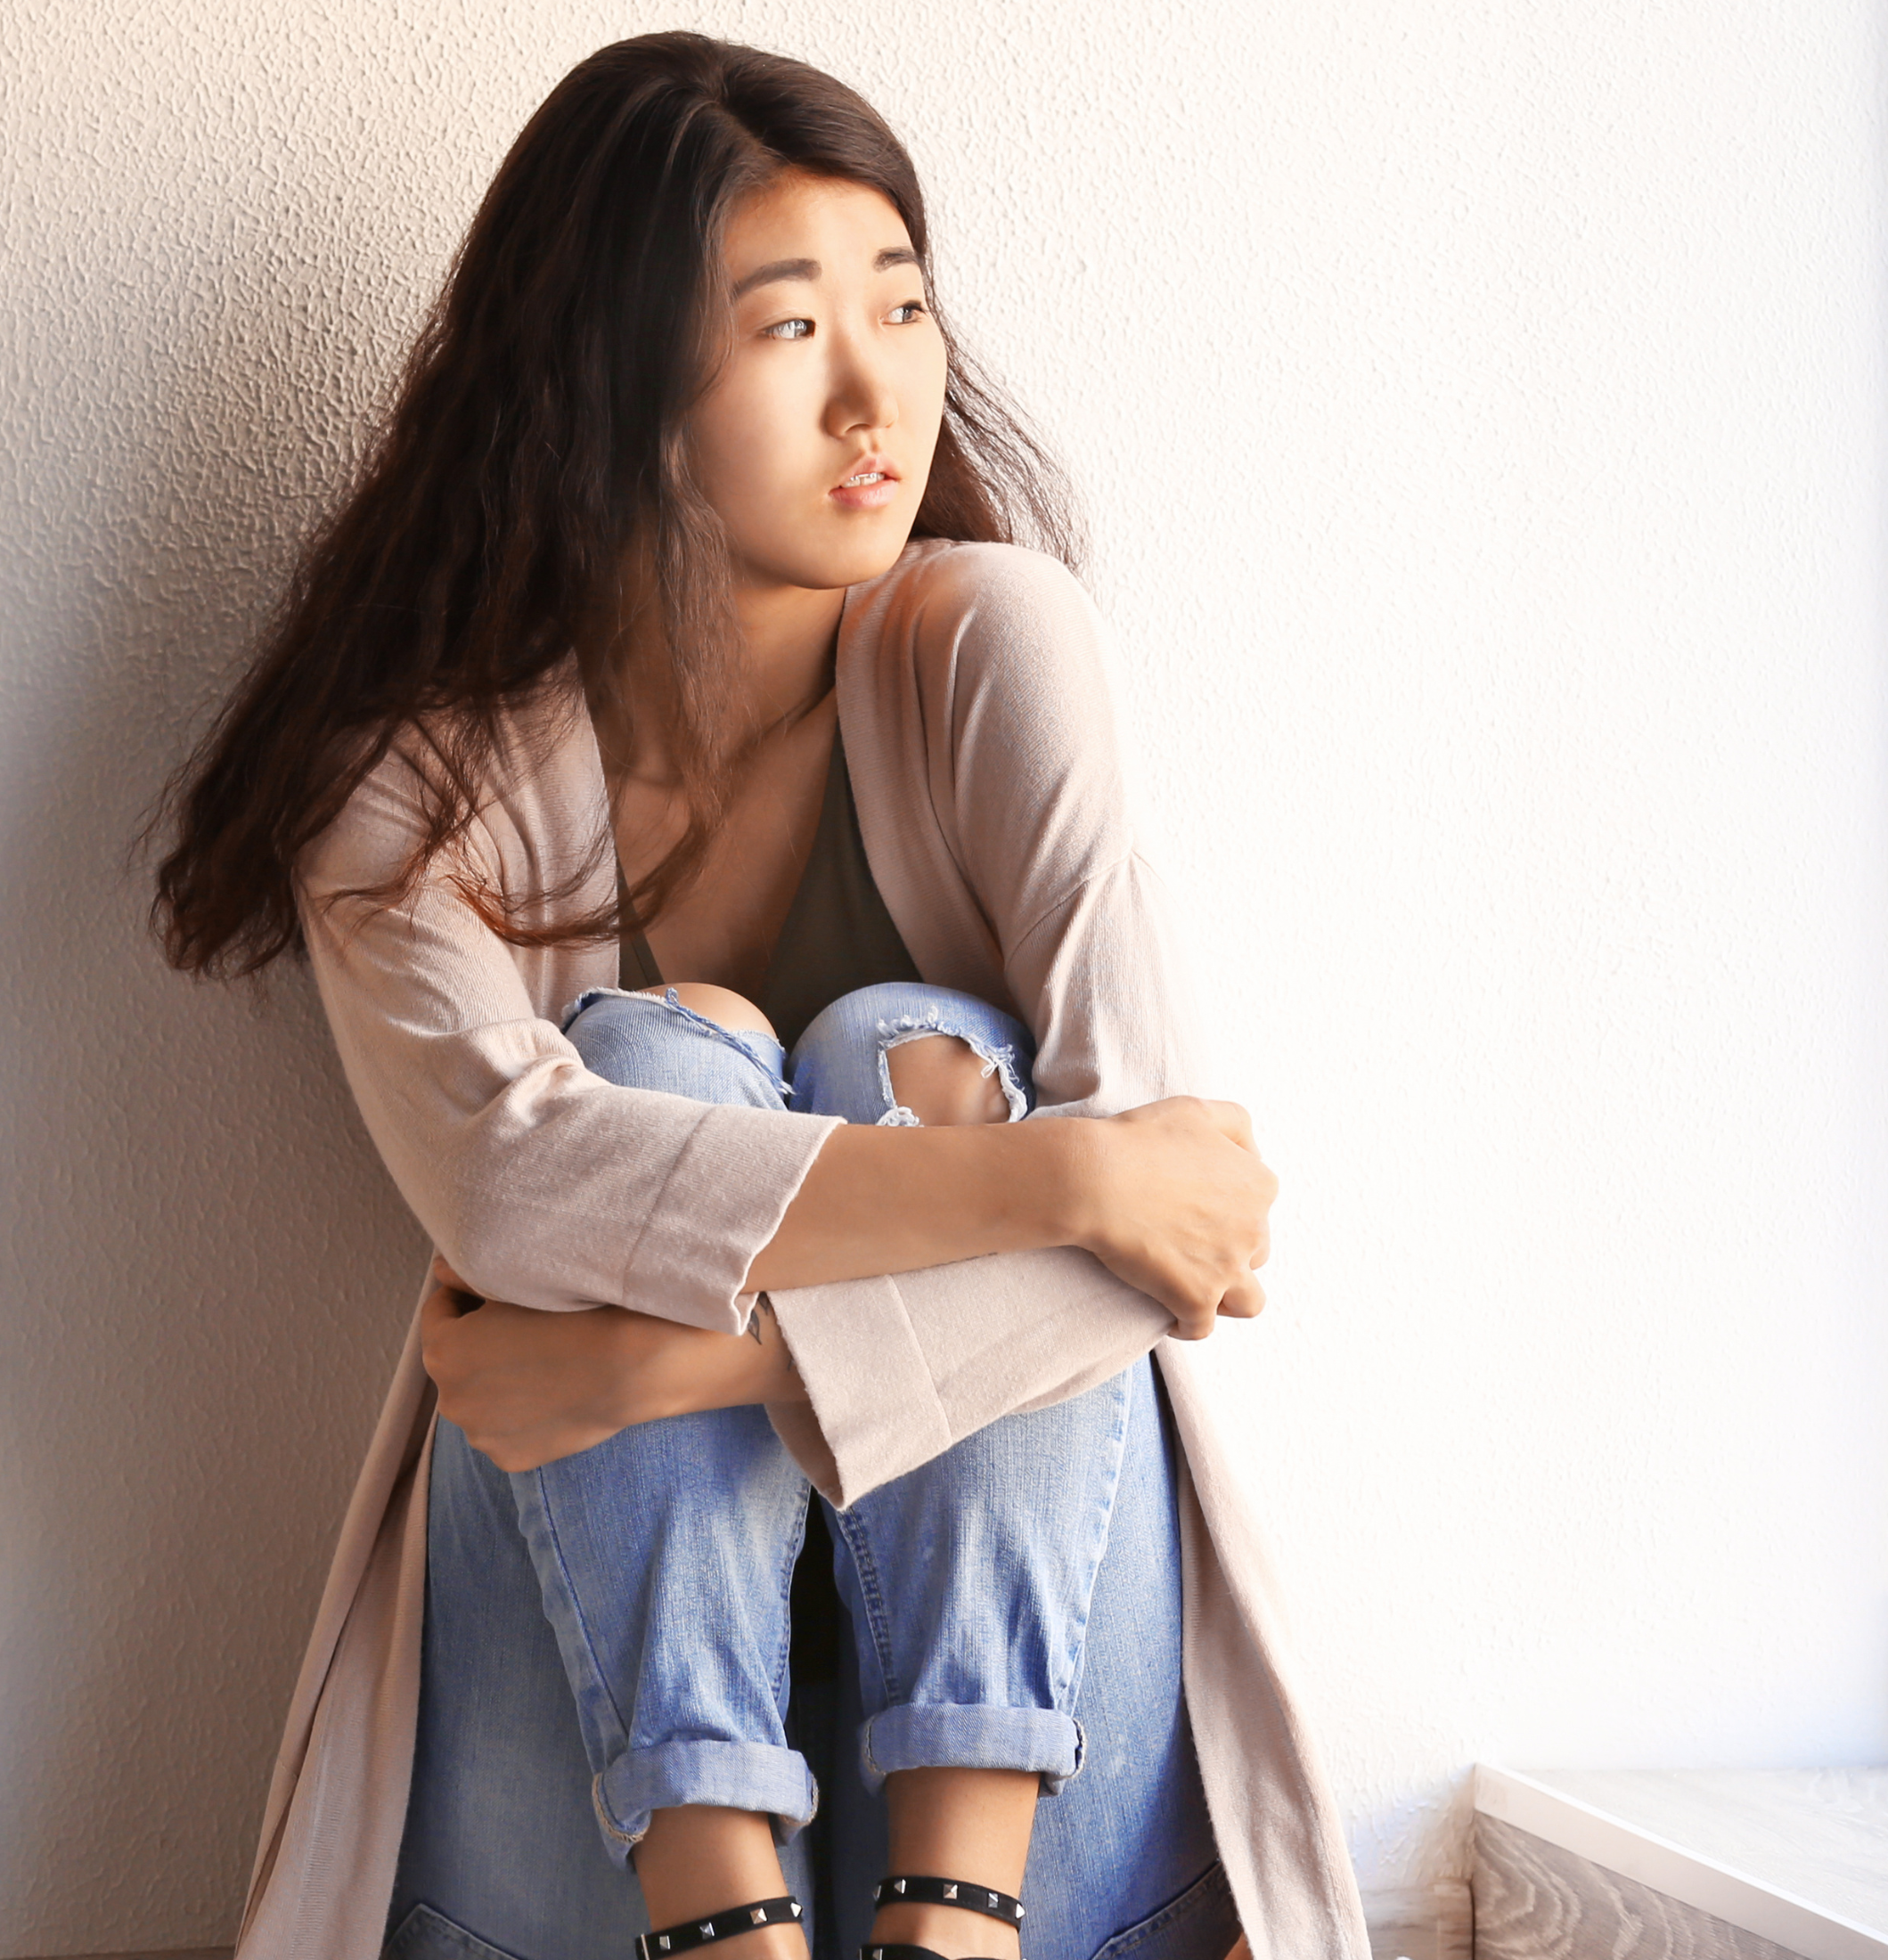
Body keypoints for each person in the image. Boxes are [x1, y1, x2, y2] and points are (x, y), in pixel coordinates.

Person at [152, 32, 1365, 1960]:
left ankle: (953, 1916)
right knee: (662, 1057)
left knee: (913, 1053)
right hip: (583, 1811)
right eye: (792, 329)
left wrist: (683, 1363)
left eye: (903, 304)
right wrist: (1062, 1179)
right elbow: (519, 1188)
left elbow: (1186, 1244)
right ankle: (723, 1914)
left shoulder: (993, 649)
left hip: (1046, 1794)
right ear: (616, 387)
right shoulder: (418, 784)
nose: (878, 394)